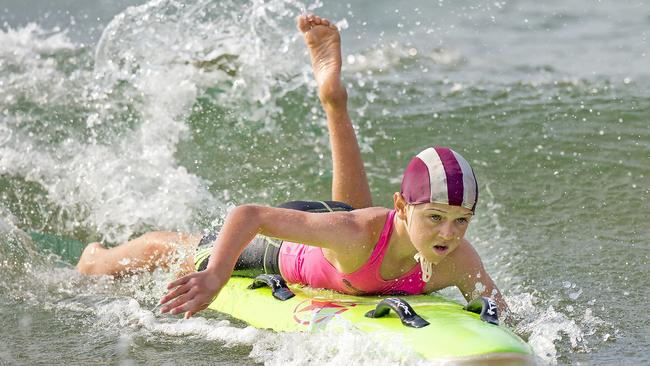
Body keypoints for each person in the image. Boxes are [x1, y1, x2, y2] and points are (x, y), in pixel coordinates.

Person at [76, 14, 507, 319]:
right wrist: (214, 275)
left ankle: (333, 97)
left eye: (460, 221)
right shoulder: (359, 233)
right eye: (435, 217)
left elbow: (503, 316)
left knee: (350, 215)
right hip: (284, 251)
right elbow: (249, 216)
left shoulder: (458, 259)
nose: (448, 234)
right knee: (179, 250)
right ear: (403, 207)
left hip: (348, 239)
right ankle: (96, 259)